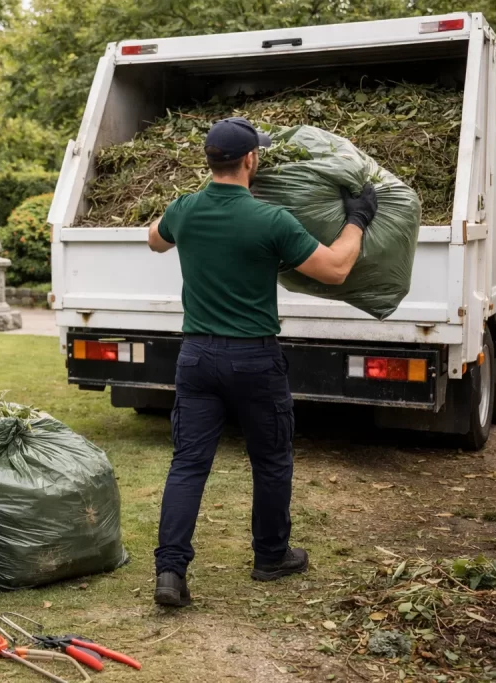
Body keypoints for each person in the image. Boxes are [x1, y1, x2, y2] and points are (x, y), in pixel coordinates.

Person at [147, 117, 378, 607]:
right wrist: (357, 219)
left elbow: (154, 239)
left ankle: (170, 572)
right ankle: (271, 557)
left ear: (209, 160)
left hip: (197, 357)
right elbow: (336, 269)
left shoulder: (184, 209)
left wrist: (186, 216)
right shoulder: (271, 220)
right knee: (271, 461)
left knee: (188, 464)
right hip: (254, 358)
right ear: (251, 160)